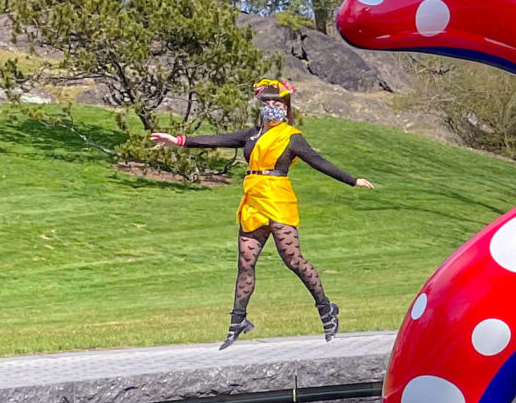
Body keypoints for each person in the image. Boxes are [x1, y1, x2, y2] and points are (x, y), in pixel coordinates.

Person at [153, 79, 374, 348]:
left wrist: (352, 180)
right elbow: (217, 140)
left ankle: (326, 309)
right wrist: (178, 140)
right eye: (266, 102)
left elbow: (318, 161)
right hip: (254, 200)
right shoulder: (252, 135)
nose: (271, 106)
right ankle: (238, 320)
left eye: (277, 102)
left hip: (278, 198)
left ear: (285, 107)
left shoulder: (291, 137)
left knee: (293, 259)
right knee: (246, 263)